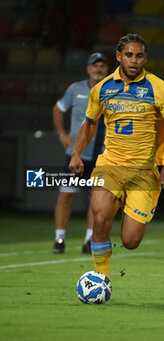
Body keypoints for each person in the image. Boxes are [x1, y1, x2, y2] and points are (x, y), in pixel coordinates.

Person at [69, 34, 164, 278]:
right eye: (129, 55)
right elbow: (89, 123)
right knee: (100, 217)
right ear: (119, 57)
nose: (134, 60)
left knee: (131, 241)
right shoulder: (103, 88)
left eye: (139, 55)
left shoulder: (158, 88)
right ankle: (102, 278)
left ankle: (128, 208)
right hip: (110, 165)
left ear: (145, 58)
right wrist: (76, 154)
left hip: (144, 172)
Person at [53, 52, 108, 254]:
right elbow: (58, 109)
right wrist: (62, 134)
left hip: (102, 157)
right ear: (88, 69)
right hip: (75, 155)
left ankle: (88, 241)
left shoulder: (112, 91)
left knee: (97, 202)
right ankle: (59, 239)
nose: (98, 69)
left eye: (102, 66)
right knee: (66, 197)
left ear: (107, 69)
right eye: (95, 66)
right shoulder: (75, 89)